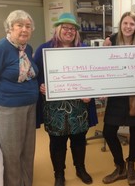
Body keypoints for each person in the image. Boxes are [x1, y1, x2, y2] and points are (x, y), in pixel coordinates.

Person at [34, 12, 96, 186]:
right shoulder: (44, 49)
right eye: (65, 27)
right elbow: (35, 74)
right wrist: (41, 85)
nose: (69, 31)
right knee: (57, 142)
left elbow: (92, 76)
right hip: (54, 107)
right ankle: (59, 174)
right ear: (57, 29)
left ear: (76, 32)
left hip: (78, 105)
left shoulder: (83, 49)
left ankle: (80, 169)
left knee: (79, 140)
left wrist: (89, 93)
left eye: (72, 29)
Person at [0, 10, 39, 186]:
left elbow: (30, 74)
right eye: (19, 25)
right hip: (6, 109)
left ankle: (26, 183)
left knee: (27, 151)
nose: (24, 29)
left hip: (29, 107)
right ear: (10, 28)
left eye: (28, 26)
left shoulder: (27, 48)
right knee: (12, 154)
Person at [102, 11, 135, 186]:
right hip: (117, 93)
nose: (128, 27)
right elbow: (103, 64)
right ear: (120, 24)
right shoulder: (112, 40)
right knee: (108, 131)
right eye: (125, 23)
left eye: (132, 24)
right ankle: (120, 165)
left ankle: (131, 164)